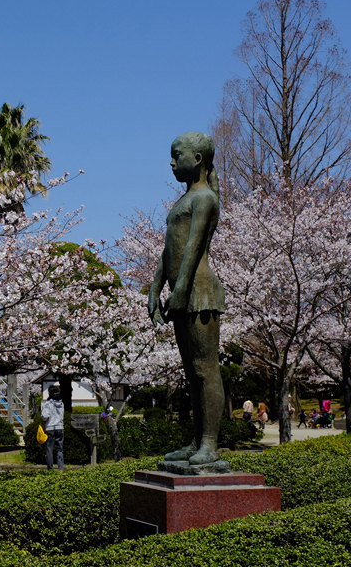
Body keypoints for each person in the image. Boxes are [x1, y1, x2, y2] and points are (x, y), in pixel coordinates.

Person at [149, 132, 225, 466]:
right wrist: (154, 287)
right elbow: (170, 249)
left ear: (196, 159)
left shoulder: (205, 198)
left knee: (205, 369)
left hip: (199, 291)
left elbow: (193, 249)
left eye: (176, 154)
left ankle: (209, 443)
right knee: (191, 371)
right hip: (182, 289)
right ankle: (196, 441)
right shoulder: (183, 200)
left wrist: (179, 291)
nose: (171, 161)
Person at [41, 385, 65, 471]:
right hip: (60, 427)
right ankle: (61, 469)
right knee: (60, 449)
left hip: (50, 428)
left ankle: (50, 469)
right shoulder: (61, 403)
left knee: (49, 449)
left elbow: (44, 416)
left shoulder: (48, 404)